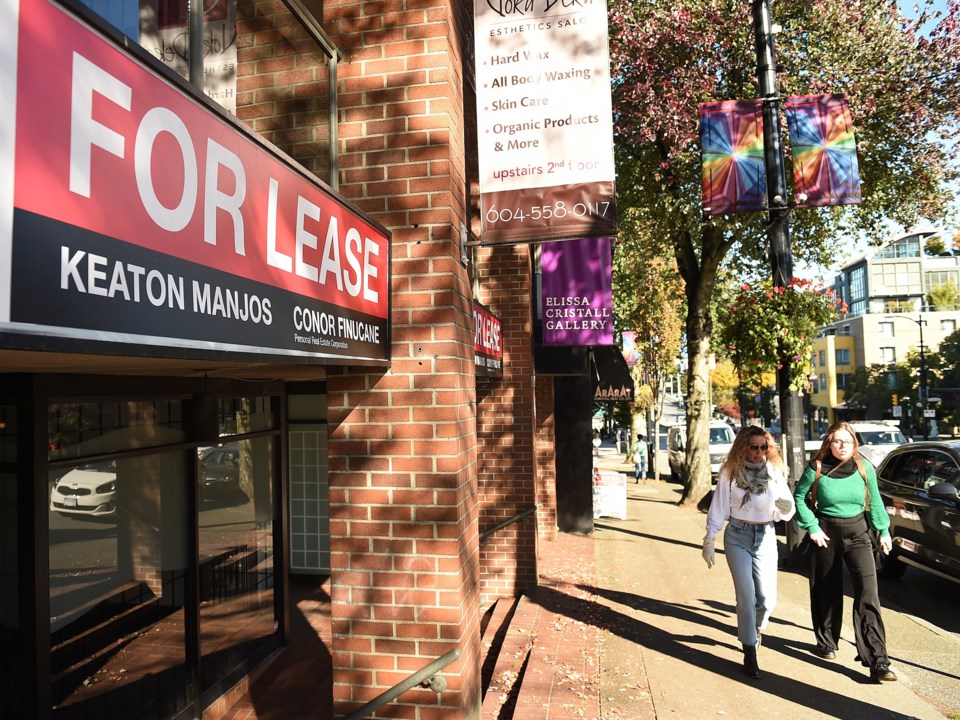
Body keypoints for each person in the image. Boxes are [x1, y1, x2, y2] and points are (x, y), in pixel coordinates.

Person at [792, 421, 897, 682]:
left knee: (868, 593)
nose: (842, 446)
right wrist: (813, 527)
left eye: (847, 442)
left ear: (854, 444)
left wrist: (883, 531)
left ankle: (878, 660)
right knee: (826, 588)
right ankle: (826, 641)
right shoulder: (816, 468)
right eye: (837, 441)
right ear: (829, 443)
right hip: (825, 531)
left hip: (858, 532)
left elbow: (874, 502)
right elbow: (799, 498)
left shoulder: (864, 468)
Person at [701, 426, 795, 680]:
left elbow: (786, 506)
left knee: (766, 600)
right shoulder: (729, 473)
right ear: (743, 447)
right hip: (738, 536)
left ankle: (754, 630)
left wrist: (785, 510)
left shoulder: (774, 472)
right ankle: (749, 649)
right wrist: (709, 538)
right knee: (746, 595)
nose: (759, 452)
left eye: (763, 447)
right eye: (753, 447)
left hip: (765, 536)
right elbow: (719, 506)